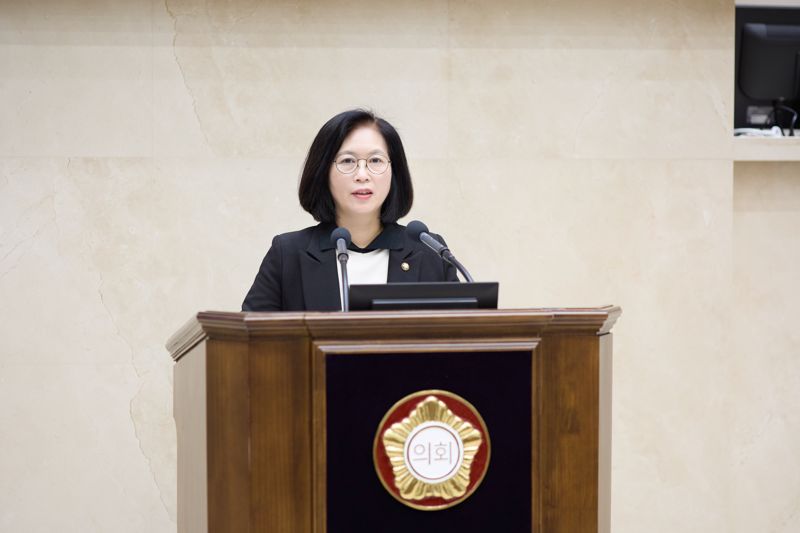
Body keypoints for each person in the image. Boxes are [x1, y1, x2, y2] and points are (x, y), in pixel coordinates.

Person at [242, 109, 458, 312]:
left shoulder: (430, 252)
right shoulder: (288, 254)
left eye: (375, 160)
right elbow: (252, 334)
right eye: (347, 161)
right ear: (323, 171)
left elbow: (459, 332)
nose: (362, 175)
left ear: (395, 171)